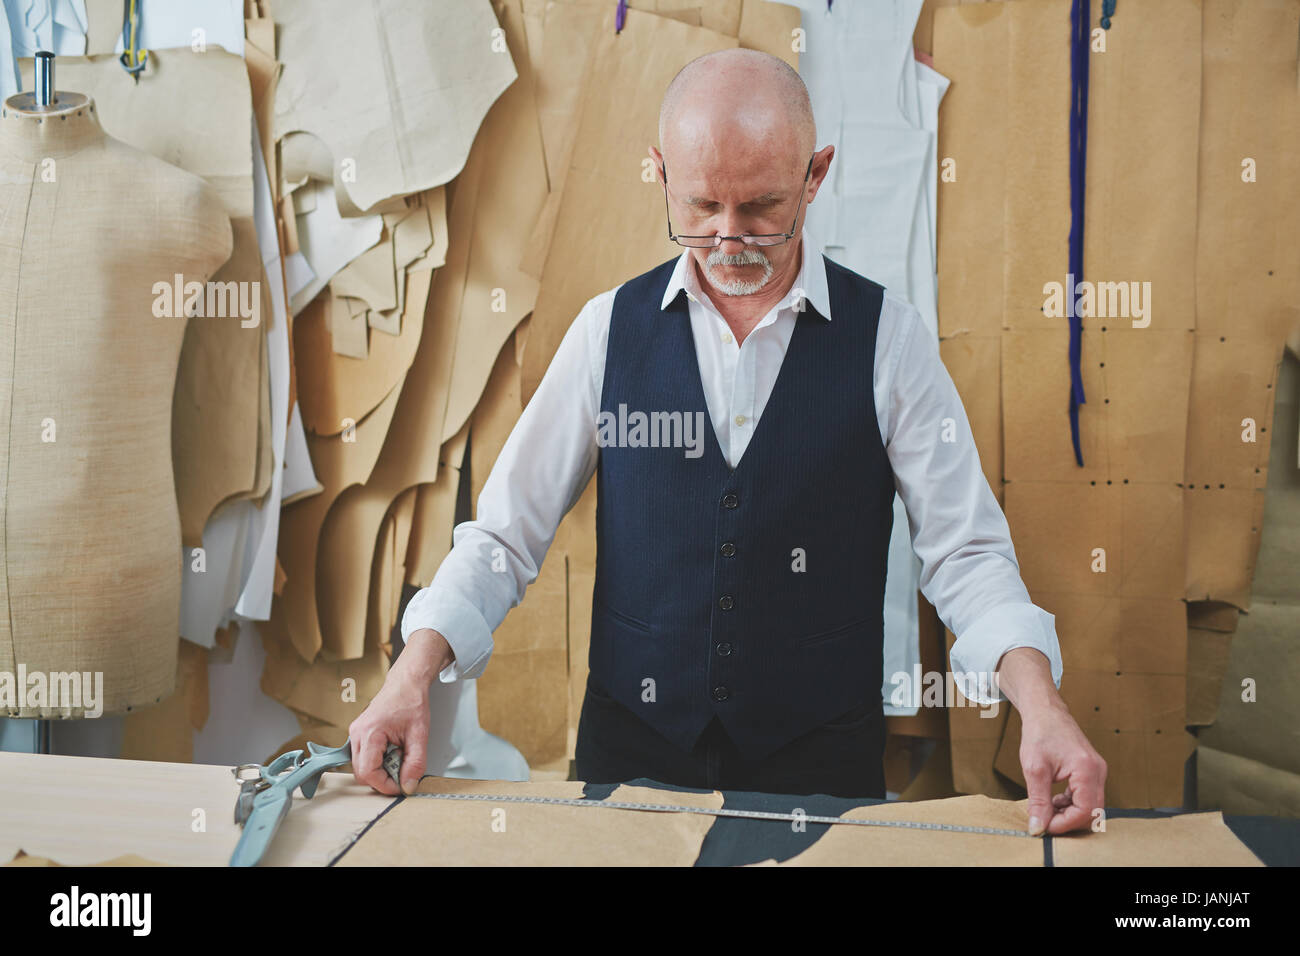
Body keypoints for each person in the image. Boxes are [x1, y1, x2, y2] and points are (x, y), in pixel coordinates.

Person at [350, 48, 1106, 836]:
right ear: (658, 172)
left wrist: (1042, 707)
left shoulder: (889, 340)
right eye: (701, 205)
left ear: (816, 176)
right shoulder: (610, 330)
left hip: (820, 772)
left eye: (763, 207)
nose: (728, 238)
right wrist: (411, 676)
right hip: (632, 763)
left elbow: (966, 553)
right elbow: (504, 535)